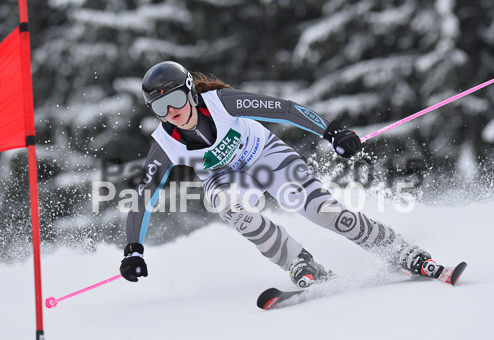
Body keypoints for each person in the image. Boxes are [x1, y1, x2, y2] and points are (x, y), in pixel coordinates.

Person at [119, 61, 447, 288]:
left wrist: (332, 132)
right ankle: (298, 261)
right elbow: (143, 197)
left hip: (265, 156)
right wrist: (133, 248)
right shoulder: (164, 143)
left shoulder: (220, 103)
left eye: (175, 99)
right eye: (160, 108)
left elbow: (286, 109)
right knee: (231, 208)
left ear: (190, 91)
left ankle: (400, 251)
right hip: (224, 178)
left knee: (325, 213)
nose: (172, 112)